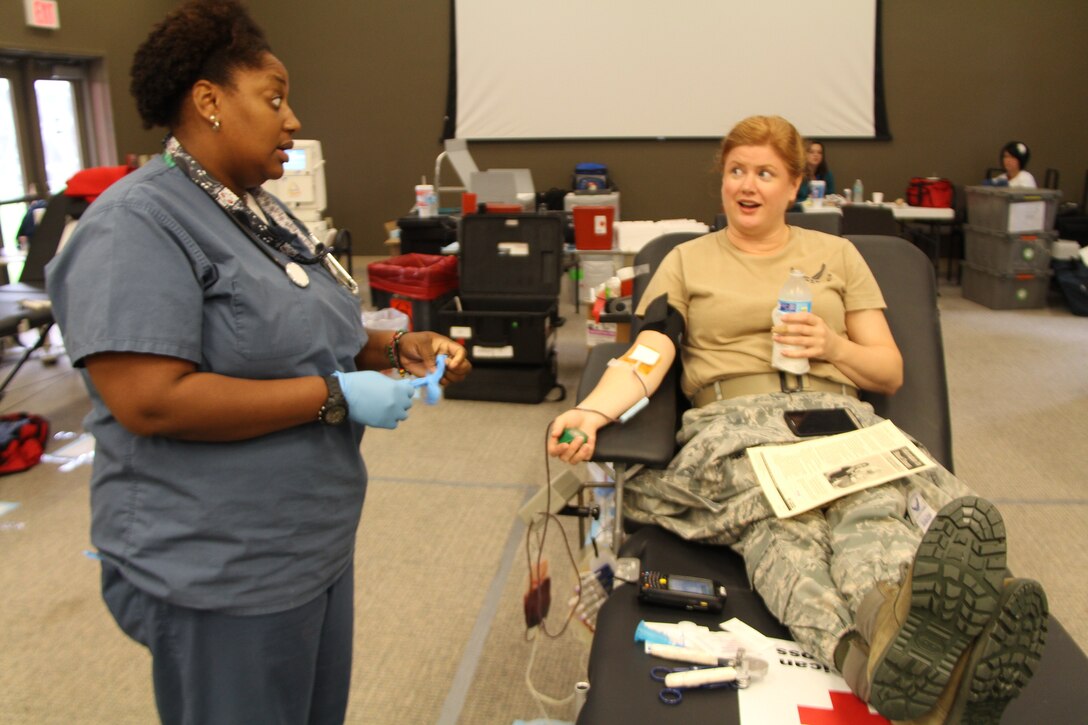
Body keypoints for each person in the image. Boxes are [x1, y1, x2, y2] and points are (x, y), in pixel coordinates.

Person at [45, 1, 470, 723]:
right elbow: (151, 400)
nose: (293, 119)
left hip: (309, 544)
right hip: (221, 566)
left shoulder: (259, 209)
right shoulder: (136, 224)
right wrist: (335, 397)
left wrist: (396, 346)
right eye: (273, 99)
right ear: (208, 101)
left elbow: (297, 329)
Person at [547, 115, 1047, 724]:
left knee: (852, 517)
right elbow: (648, 355)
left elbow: (887, 371)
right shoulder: (686, 261)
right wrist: (591, 410)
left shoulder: (837, 255)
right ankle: (924, 644)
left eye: (765, 173)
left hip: (836, 417)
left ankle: (893, 655)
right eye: (736, 171)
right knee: (789, 523)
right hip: (736, 427)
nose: (747, 185)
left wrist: (831, 347)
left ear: (794, 186)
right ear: (722, 180)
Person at [794, 139, 835, 204]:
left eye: (819, 152)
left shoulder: (827, 174)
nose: (816, 155)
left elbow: (831, 195)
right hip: (801, 210)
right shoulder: (797, 174)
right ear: (804, 154)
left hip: (822, 209)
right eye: (811, 152)